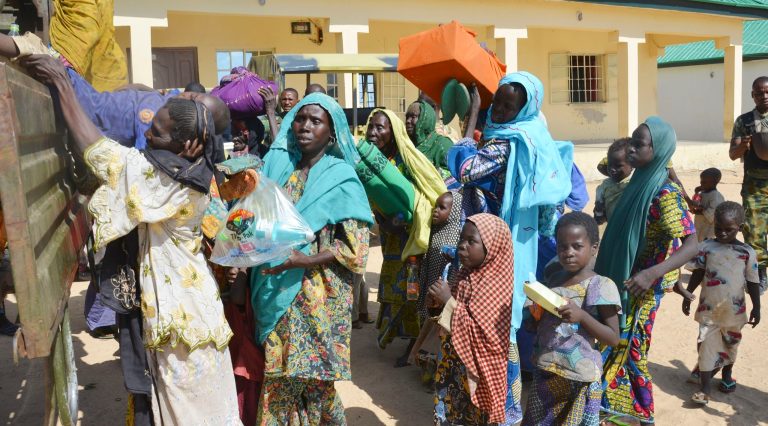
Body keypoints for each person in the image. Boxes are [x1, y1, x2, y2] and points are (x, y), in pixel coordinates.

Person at [23, 54, 241, 423]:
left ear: (186, 144)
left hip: (182, 319)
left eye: (156, 131)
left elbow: (106, 155)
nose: (148, 136)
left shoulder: (173, 182)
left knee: (189, 410)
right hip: (185, 312)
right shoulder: (188, 168)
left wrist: (62, 84)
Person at [448, 72, 573, 425]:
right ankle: (501, 402)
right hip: (507, 237)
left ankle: (501, 406)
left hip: (494, 242)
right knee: (502, 314)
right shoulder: (533, 137)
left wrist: (470, 124)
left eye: (508, 106)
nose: (499, 111)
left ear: (525, 109)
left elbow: (467, 170)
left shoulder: (507, 143)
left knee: (495, 317)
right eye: (496, 103)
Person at [249, 93, 373, 424]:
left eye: (315, 121)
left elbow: (357, 246)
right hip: (276, 289)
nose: (305, 126)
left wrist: (305, 261)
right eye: (301, 119)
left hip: (319, 297)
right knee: (279, 376)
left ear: (331, 133)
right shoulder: (279, 171)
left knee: (316, 382)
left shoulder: (341, 177)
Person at [596, 117, 698, 424]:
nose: (631, 150)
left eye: (639, 145)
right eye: (632, 142)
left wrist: (654, 273)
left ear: (658, 149)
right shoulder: (637, 182)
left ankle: (643, 414)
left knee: (633, 350)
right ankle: (610, 410)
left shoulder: (664, 194)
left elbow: (693, 244)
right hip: (624, 278)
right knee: (614, 343)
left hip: (642, 287)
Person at [364, 108, 447, 366]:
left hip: (410, 238)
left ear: (394, 131)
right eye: (372, 127)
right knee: (393, 288)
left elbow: (423, 194)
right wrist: (383, 221)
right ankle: (400, 336)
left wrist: (403, 220)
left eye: (381, 128)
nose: (374, 133)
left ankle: (415, 347)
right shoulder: (370, 161)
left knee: (411, 292)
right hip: (389, 238)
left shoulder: (406, 161)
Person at [522, 212, 621, 425]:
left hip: (578, 378)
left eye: (577, 246)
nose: (568, 253)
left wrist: (582, 315)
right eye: (562, 247)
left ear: (594, 247)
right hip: (546, 370)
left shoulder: (601, 285)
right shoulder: (553, 279)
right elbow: (545, 324)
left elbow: (613, 337)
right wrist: (535, 317)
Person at [429, 213, 514, 425]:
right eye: (461, 239)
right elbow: (451, 317)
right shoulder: (465, 275)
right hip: (454, 364)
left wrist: (448, 301)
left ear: (492, 247)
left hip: (476, 370)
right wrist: (437, 305)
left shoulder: (495, 285)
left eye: (471, 241)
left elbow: (484, 335)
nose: (462, 246)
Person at [682, 202, 761, 405]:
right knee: (706, 346)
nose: (723, 233)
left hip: (734, 312)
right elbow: (698, 272)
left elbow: (753, 282)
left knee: (731, 344)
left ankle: (726, 375)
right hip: (709, 310)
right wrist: (687, 294)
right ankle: (705, 389)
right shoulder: (706, 247)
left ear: (740, 228)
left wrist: (757, 308)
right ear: (714, 224)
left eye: (729, 229)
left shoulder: (746, 252)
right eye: (719, 228)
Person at [729, 76, 768, 290]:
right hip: (754, 186)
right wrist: (744, 144)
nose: (764, 96)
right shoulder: (744, 121)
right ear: (753, 95)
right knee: (754, 230)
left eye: (767, 92)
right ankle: (760, 274)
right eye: (759, 93)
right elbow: (733, 155)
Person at [405, 100, 456, 183]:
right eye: (407, 117)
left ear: (425, 119)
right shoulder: (407, 145)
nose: (407, 121)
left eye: (413, 117)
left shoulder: (443, 145)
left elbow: (455, 175)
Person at [594, 138, 633, 226]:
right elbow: (599, 209)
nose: (612, 169)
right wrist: (599, 213)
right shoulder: (605, 185)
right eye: (610, 164)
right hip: (613, 226)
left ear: (632, 164)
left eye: (618, 166)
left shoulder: (635, 182)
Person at [689, 168, 725, 241]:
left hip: (709, 228)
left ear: (714, 183)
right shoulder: (703, 193)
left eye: (704, 182)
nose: (701, 183)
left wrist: (699, 211)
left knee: (706, 244)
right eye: (701, 181)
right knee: (698, 242)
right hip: (701, 224)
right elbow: (698, 202)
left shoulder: (716, 196)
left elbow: (712, 214)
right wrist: (696, 193)